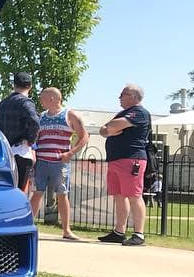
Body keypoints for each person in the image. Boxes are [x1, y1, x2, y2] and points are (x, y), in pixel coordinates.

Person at [97, 84, 151, 246]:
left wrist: (110, 128)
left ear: (132, 96)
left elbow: (111, 127)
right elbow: (104, 129)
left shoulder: (139, 112)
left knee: (134, 196)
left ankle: (139, 234)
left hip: (131, 159)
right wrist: (109, 128)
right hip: (116, 159)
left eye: (122, 94)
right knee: (119, 195)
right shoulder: (123, 113)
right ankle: (119, 232)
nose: (119, 97)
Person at [30, 87, 88, 239]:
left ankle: (66, 230)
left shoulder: (69, 115)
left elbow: (84, 136)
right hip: (41, 161)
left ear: (52, 99)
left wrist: (71, 153)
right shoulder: (41, 117)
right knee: (37, 193)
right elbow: (36, 138)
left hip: (60, 163)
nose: (40, 101)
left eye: (42, 98)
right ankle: (28, 226)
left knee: (62, 194)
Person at [0, 72, 40, 194]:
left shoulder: (2, 104)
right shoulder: (26, 103)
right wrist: (31, 140)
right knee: (19, 192)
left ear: (14, 85)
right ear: (30, 86)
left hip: (4, 153)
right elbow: (35, 122)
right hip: (21, 151)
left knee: (5, 190)